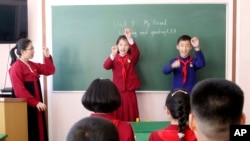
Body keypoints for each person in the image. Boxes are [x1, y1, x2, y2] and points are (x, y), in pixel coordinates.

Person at [9, 38, 55, 141]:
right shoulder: (16, 67)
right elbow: (19, 91)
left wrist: (47, 57)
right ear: (22, 51)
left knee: (39, 131)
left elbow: (50, 70)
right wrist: (36, 103)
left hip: (36, 104)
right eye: (31, 48)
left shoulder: (32, 65)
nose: (33, 50)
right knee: (30, 132)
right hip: (27, 106)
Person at [103, 28, 141, 121]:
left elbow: (136, 53)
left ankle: (132, 131)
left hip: (129, 91)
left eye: (126, 45)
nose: (123, 47)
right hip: (118, 91)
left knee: (131, 113)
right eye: (120, 44)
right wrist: (112, 54)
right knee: (118, 114)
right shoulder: (114, 58)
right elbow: (106, 66)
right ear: (117, 46)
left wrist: (130, 39)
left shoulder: (131, 58)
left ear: (128, 47)